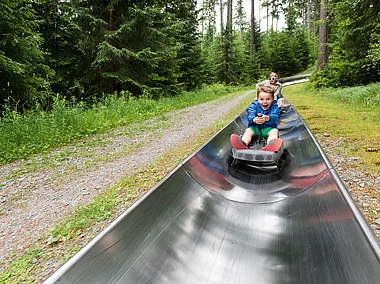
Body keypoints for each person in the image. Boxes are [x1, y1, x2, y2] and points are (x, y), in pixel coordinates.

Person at [230, 85, 283, 152]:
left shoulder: (274, 106)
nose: (265, 102)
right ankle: (243, 144)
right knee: (248, 131)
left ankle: (270, 146)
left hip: (268, 128)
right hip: (255, 128)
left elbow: (275, 117)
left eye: (268, 99)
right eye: (262, 99)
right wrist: (254, 119)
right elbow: (250, 116)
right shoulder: (254, 106)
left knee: (274, 131)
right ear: (257, 99)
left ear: (272, 99)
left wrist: (268, 118)